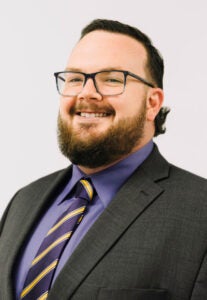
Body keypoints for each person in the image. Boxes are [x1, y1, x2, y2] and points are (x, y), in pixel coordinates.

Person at [0, 18, 206, 300]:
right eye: (74, 78)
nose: (87, 92)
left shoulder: (200, 214)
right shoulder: (23, 202)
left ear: (152, 103)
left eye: (111, 79)